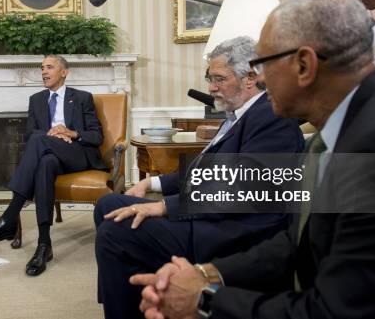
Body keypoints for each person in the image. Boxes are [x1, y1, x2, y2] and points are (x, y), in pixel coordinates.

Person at [133, 0, 375, 319]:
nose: (257, 80)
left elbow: (337, 311)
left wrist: (203, 301)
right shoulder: (345, 127)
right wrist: (208, 273)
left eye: (261, 64)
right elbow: (299, 242)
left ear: (304, 65)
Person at [94, 37, 304, 319]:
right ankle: (138, 295)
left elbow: (248, 187)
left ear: (250, 78)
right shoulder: (238, 115)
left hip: (233, 229)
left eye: (219, 78)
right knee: (108, 206)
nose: (211, 87)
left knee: (115, 232)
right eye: (210, 78)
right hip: (212, 215)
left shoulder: (269, 115)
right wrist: (152, 183)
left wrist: (164, 206)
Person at [0, 55, 107, 276]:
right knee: (44, 162)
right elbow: (31, 133)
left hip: (77, 154)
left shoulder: (82, 98)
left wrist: (69, 132)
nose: (44, 72)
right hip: (50, 153)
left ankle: (10, 216)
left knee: (38, 141)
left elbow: (96, 136)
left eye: (49, 67)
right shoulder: (36, 100)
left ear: (64, 72)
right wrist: (52, 136)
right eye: (42, 68)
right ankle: (44, 245)